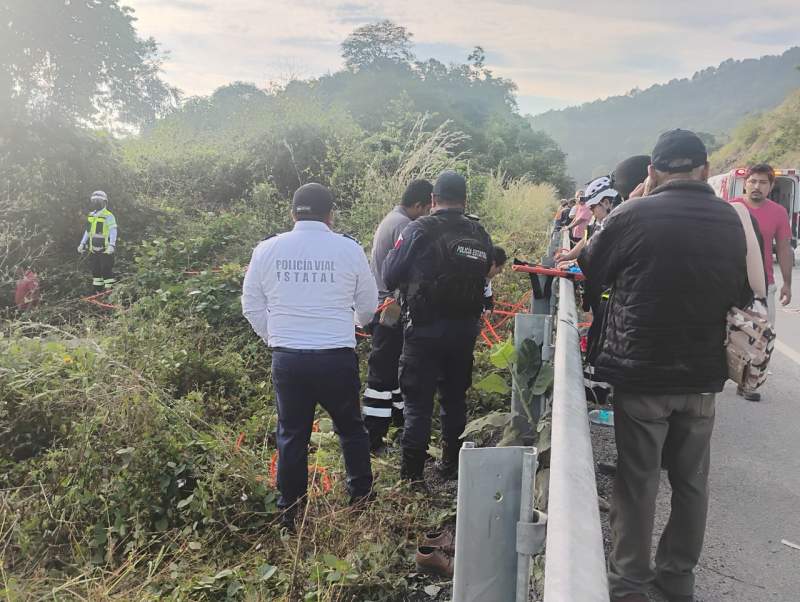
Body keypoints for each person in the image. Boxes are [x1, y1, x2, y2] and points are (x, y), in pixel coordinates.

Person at [579, 129, 752, 602]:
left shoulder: (634, 214)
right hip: (701, 377)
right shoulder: (729, 218)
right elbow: (743, 293)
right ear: (704, 167)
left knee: (638, 482)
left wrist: (628, 206)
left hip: (642, 374)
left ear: (653, 172)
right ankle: (677, 579)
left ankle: (630, 583)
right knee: (691, 482)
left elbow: (593, 267)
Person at [241, 183, 378, 530]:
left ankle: (291, 514)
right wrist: (353, 324)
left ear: (292, 213)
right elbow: (367, 307)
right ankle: (361, 499)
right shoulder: (348, 249)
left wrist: (275, 337)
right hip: (336, 356)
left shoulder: (267, 249)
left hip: (289, 360)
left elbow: (251, 305)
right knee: (351, 429)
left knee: (291, 434)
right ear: (331, 215)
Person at [383, 170, 493, 484]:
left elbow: (390, 274)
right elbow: (484, 273)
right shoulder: (479, 232)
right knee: (454, 399)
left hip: (424, 330)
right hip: (464, 331)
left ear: (433, 199)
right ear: (465, 200)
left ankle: (412, 477)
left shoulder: (419, 228)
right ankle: (451, 466)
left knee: (418, 405)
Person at [363, 179, 433, 452]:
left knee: (391, 370)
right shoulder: (405, 226)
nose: (428, 214)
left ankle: (392, 425)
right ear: (418, 205)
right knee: (382, 375)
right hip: (390, 309)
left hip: (384, 307)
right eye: (427, 208)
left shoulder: (392, 220)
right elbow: (409, 274)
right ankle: (373, 436)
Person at [731, 164, 792, 324]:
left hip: (763, 286)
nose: (757, 186)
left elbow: (783, 249)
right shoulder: (730, 209)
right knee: (732, 339)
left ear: (771, 186)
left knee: (762, 337)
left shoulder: (779, 212)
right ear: (745, 184)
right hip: (732, 284)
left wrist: (787, 283)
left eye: (763, 182)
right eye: (753, 181)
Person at [77, 190, 117, 292]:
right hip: (93, 250)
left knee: (106, 269)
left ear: (104, 202)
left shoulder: (109, 215)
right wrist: (82, 243)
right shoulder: (91, 215)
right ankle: (98, 292)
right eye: (94, 201)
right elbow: (88, 231)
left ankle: (109, 292)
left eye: (98, 201)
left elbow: (113, 230)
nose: (96, 203)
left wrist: (112, 245)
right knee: (95, 271)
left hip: (105, 250)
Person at [483, 245, 508, 312]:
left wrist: (488, 309)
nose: (500, 271)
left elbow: (488, 300)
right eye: (500, 268)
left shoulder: (487, 279)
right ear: (493, 264)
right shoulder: (473, 276)